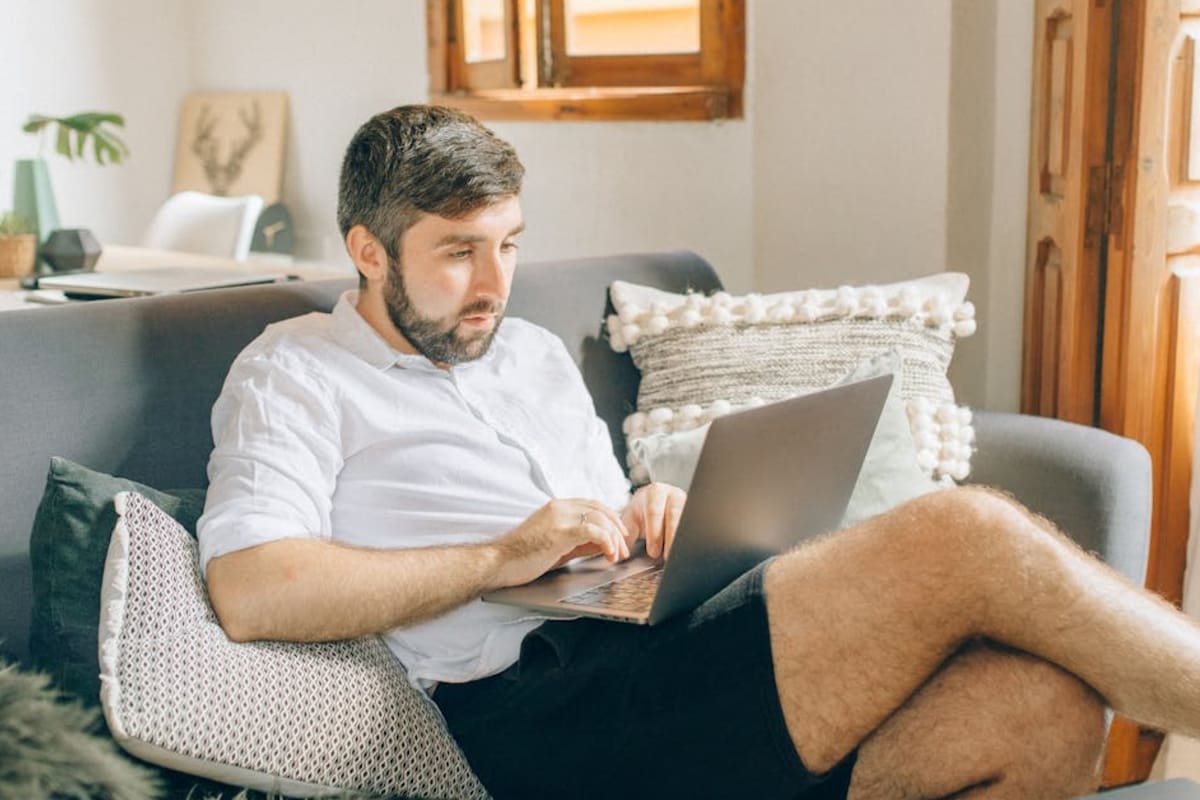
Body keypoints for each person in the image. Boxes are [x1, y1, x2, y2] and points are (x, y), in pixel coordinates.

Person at [197, 104, 1200, 800]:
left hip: (660, 652)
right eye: (458, 251)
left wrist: (647, 514)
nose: (493, 280)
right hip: (538, 708)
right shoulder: (296, 373)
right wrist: (501, 556)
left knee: (1045, 705)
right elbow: (251, 587)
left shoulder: (531, 355)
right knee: (964, 530)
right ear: (369, 251)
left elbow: (600, 520)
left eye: (508, 242)